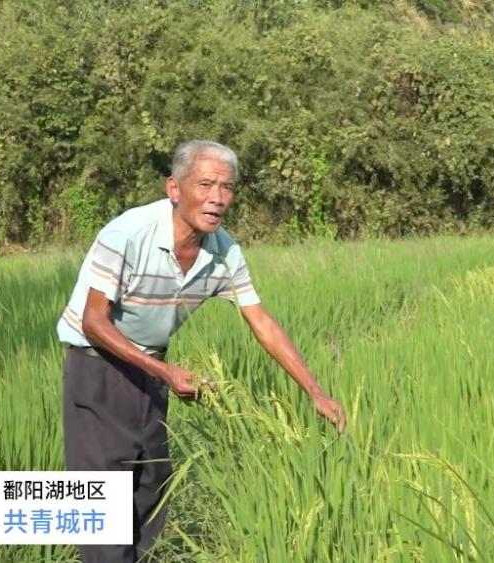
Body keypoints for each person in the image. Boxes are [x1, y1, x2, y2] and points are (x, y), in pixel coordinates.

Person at [56, 139, 347, 562]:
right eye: (206, 184)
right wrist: (167, 373)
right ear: (174, 188)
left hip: (150, 371)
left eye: (227, 187)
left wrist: (314, 390)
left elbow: (261, 321)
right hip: (97, 369)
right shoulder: (128, 234)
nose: (217, 198)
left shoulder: (224, 251)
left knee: (151, 489)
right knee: (105, 499)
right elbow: (93, 321)